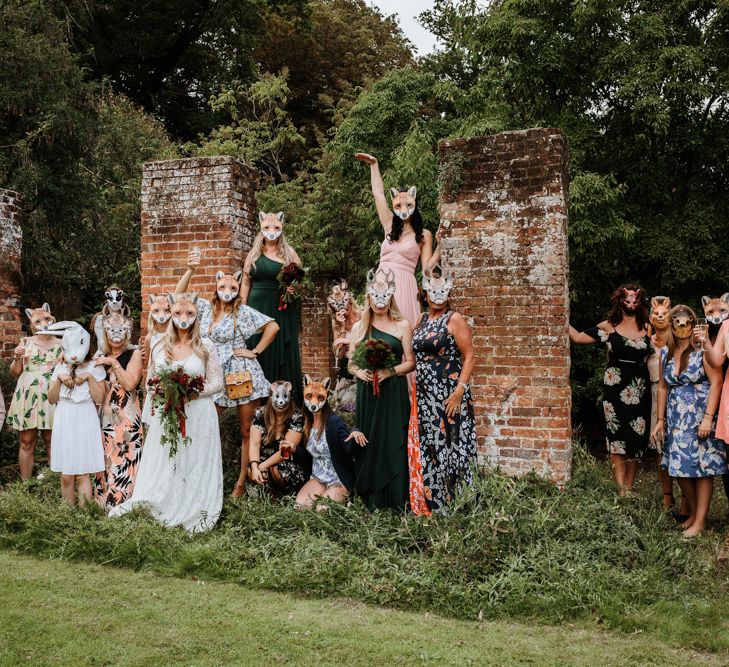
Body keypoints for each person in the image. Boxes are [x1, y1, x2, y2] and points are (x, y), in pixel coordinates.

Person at [110, 293, 224, 533]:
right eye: (178, 313)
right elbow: (150, 379)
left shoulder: (206, 345)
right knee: (168, 459)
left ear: (197, 315)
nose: (184, 318)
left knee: (193, 460)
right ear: (171, 315)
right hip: (167, 412)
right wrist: (162, 389)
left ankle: (194, 506)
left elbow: (217, 383)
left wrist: (191, 392)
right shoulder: (160, 343)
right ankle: (164, 502)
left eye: (189, 314)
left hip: (198, 413)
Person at [176, 249, 280, 498]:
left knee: (247, 431)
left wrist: (254, 351)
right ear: (217, 284)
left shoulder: (242, 312)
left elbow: (273, 326)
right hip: (214, 374)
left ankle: (241, 485)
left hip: (241, 374)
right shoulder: (205, 308)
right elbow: (179, 296)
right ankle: (200, 476)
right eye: (223, 285)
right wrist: (190, 269)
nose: (228, 290)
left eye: (233, 286)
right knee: (201, 420)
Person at [569, 285, 652, 495]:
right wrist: (559, 317)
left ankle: (630, 487)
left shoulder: (648, 327)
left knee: (636, 437)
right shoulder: (609, 326)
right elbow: (578, 337)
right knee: (616, 436)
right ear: (619, 301)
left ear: (640, 302)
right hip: (614, 389)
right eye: (627, 300)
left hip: (639, 388)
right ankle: (620, 488)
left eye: (635, 300)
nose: (631, 304)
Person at [652, 305, 727, 538]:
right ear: (672, 326)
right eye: (678, 323)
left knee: (703, 468)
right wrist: (660, 419)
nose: (682, 327)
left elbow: (716, 382)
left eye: (687, 323)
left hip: (699, 416)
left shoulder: (701, 351)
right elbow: (663, 387)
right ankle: (694, 514)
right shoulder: (665, 353)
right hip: (676, 418)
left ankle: (700, 521)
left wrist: (707, 419)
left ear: (694, 324)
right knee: (679, 468)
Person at [347, 268, 415, 510]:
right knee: (370, 439)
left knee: (393, 438)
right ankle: (371, 498)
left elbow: (410, 361)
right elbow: (351, 363)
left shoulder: (402, 324)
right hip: (368, 392)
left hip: (393, 391)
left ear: (391, 296)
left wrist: (390, 371)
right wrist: (359, 372)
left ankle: (398, 499)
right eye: (375, 296)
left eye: (384, 297)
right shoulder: (359, 328)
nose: (379, 302)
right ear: (368, 296)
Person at [411, 266, 477, 514]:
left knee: (454, 446)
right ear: (425, 293)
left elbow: (469, 356)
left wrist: (460, 391)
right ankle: (437, 504)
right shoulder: (420, 319)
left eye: (442, 291)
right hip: (426, 396)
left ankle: (463, 505)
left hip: (450, 395)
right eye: (432, 290)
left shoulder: (454, 319)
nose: (437, 295)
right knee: (431, 446)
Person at [354, 152, 436, 330]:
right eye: (398, 205)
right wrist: (374, 165)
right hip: (382, 280)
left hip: (405, 283)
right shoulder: (389, 225)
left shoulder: (424, 235)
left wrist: (440, 247)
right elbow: (378, 194)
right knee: (377, 330)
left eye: (408, 205)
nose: (403, 209)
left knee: (402, 329)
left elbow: (427, 270)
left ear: (414, 204)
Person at [241, 211, 304, 403]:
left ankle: (286, 404)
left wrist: (294, 289)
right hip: (255, 308)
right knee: (257, 349)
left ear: (282, 227)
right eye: (267, 227)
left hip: (281, 308)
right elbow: (245, 281)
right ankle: (257, 403)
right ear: (261, 226)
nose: (272, 231)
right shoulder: (253, 253)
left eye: (276, 227)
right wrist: (242, 308)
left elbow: (301, 282)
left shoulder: (289, 253)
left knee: (281, 350)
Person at [47, 322, 106, 505]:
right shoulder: (60, 367)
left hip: (84, 417)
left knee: (82, 473)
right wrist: (59, 379)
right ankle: (68, 515)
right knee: (66, 475)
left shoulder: (95, 366)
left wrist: (88, 378)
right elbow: (51, 398)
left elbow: (99, 398)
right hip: (64, 417)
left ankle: (85, 517)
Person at [92, 312, 144, 509]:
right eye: (111, 329)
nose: (116, 334)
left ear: (128, 330)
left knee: (126, 459)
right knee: (106, 460)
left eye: (121, 329)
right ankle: (103, 506)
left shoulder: (135, 353)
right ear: (105, 331)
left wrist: (113, 363)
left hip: (128, 417)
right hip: (105, 418)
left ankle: (125, 507)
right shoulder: (99, 356)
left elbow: (130, 384)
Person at [7, 304, 63, 479]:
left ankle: (55, 484)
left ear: (52, 318)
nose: (43, 323)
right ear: (31, 322)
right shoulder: (26, 342)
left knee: (52, 442)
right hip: (28, 396)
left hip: (52, 395)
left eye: (46, 318)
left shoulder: (62, 343)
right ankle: (26, 486)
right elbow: (16, 373)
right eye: (38, 320)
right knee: (26, 442)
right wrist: (17, 357)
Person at [295, 375, 367, 509]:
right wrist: (293, 449)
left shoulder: (333, 422)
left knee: (322, 509)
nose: (314, 402)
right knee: (300, 507)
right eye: (309, 396)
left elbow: (349, 448)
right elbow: (306, 454)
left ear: (326, 396)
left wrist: (355, 432)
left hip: (338, 479)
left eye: (320, 398)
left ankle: (346, 499)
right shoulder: (307, 423)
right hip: (318, 477)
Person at [248, 381, 308, 496]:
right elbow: (254, 444)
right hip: (263, 458)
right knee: (252, 471)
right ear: (271, 398)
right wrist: (255, 466)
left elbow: (285, 451)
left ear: (290, 398)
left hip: (287, 462)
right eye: (277, 396)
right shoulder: (261, 414)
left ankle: (284, 495)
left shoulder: (296, 418)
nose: (281, 401)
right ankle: (266, 494)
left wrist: (263, 466)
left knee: (276, 471)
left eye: (285, 397)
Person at [141, 293, 173, 426]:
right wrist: (149, 388)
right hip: (157, 388)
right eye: (157, 310)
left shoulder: (177, 335)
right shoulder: (150, 337)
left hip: (175, 386)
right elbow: (149, 365)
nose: (162, 314)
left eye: (166, 310)